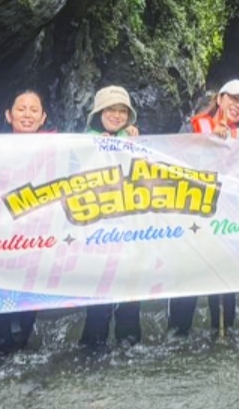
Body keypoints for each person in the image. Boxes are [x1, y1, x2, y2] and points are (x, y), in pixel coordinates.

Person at [167, 79, 239, 336]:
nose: (237, 106)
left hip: (226, 225)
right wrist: (206, 140)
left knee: (224, 302)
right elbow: (170, 162)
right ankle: (178, 345)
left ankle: (221, 348)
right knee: (184, 296)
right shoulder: (191, 126)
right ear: (219, 99)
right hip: (190, 222)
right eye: (233, 99)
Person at [0, 89, 49, 358]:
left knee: (26, 313)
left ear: (44, 118)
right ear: (8, 115)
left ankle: (18, 358)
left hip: (34, 244)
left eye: (34, 110)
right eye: (21, 109)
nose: (27, 115)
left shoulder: (58, 150)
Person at [79, 85, 143, 347]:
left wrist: (135, 144)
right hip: (97, 229)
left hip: (130, 228)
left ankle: (129, 348)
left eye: (122, 111)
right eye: (110, 110)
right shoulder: (83, 142)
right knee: (98, 300)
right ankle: (93, 351)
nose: (117, 115)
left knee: (131, 296)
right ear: (98, 113)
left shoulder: (136, 141)